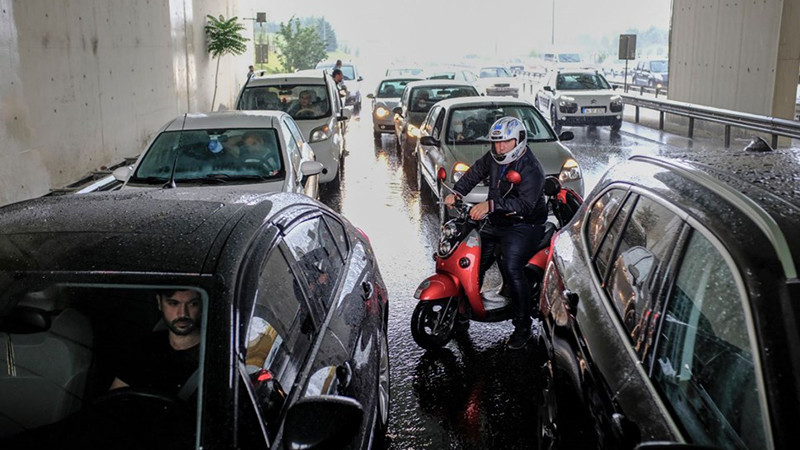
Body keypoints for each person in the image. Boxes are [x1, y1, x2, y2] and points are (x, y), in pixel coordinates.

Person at [444, 117, 547, 350]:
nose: (500, 148)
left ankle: (522, 326)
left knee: (512, 267)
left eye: (506, 142)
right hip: (499, 219)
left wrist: (490, 206)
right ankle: (462, 311)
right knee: (473, 261)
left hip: (525, 224)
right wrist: (458, 192)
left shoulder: (531, 167)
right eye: (496, 143)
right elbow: (474, 173)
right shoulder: (493, 157)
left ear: (519, 140)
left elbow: (526, 205)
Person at [109, 289, 202, 396]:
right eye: (173, 303)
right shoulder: (145, 347)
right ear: (159, 302)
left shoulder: (215, 353)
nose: (182, 314)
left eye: (192, 304)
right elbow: (115, 397)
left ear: (202, 306)